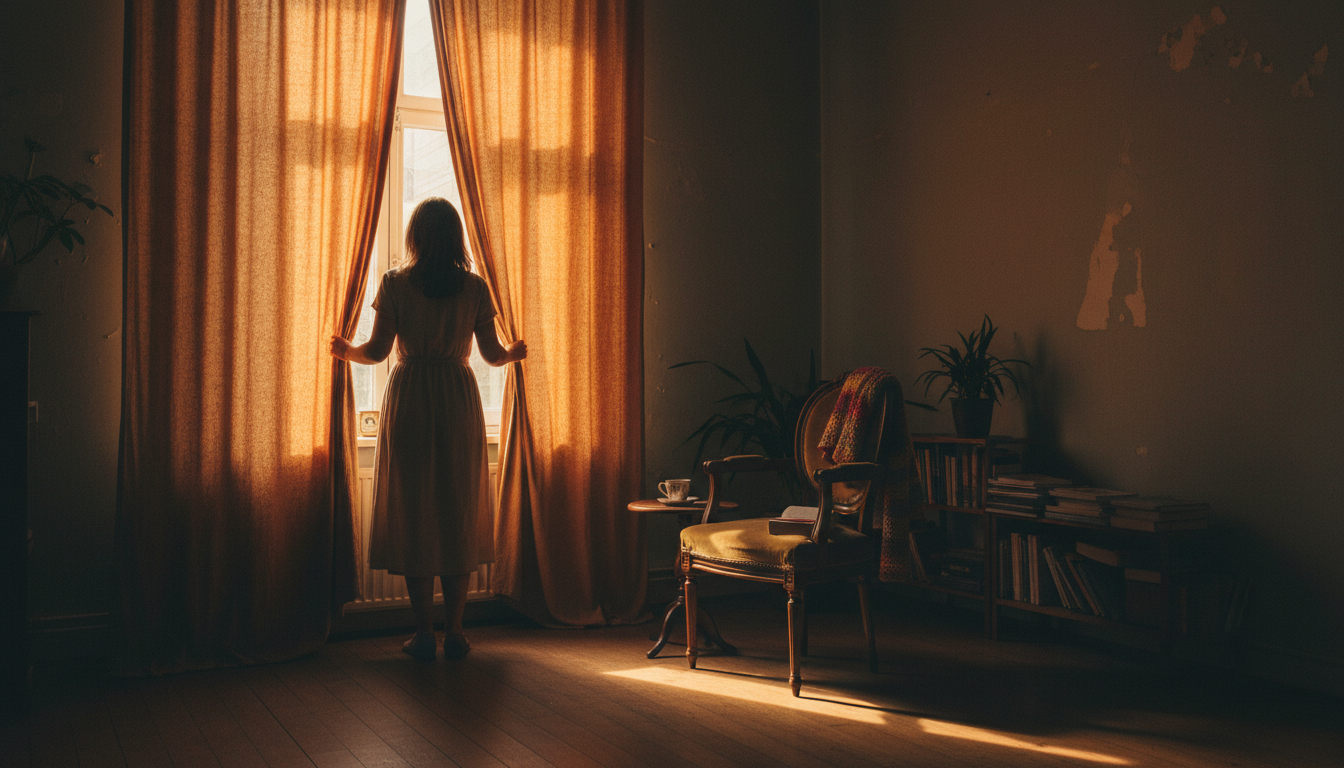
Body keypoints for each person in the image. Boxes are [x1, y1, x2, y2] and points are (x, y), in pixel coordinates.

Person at [330, 197, 526, 660]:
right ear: (456, 237)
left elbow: (377, 352)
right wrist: (515, 353)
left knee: (417, 514)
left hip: (413, 396)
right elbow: (493, 357)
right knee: (456, 512)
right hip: (457, 398)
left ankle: (422, 633)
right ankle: (456, 631)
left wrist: (344, 350)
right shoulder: (475, 288)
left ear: (415, 236)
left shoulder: (397, 284)